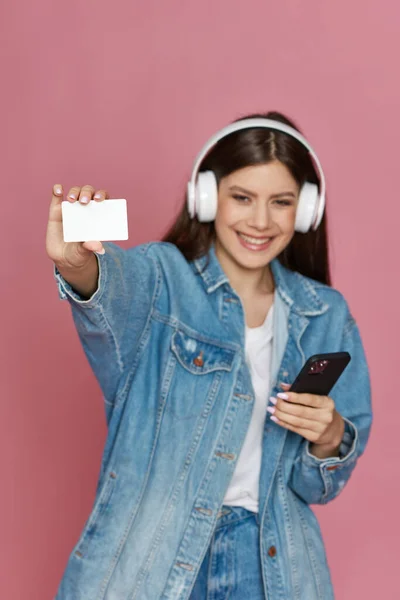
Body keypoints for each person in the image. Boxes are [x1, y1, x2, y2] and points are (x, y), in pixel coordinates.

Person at [47, 111, 372, 600]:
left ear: (305, 211)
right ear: (206, 196)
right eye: (241, 197)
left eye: (281, 202)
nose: (260, 221)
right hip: (154, 557)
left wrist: (330, 437)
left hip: (272, 568)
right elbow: (108, 292)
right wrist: (77, 264)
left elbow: (317, 486)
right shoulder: (160, 281)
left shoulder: (324, 313)